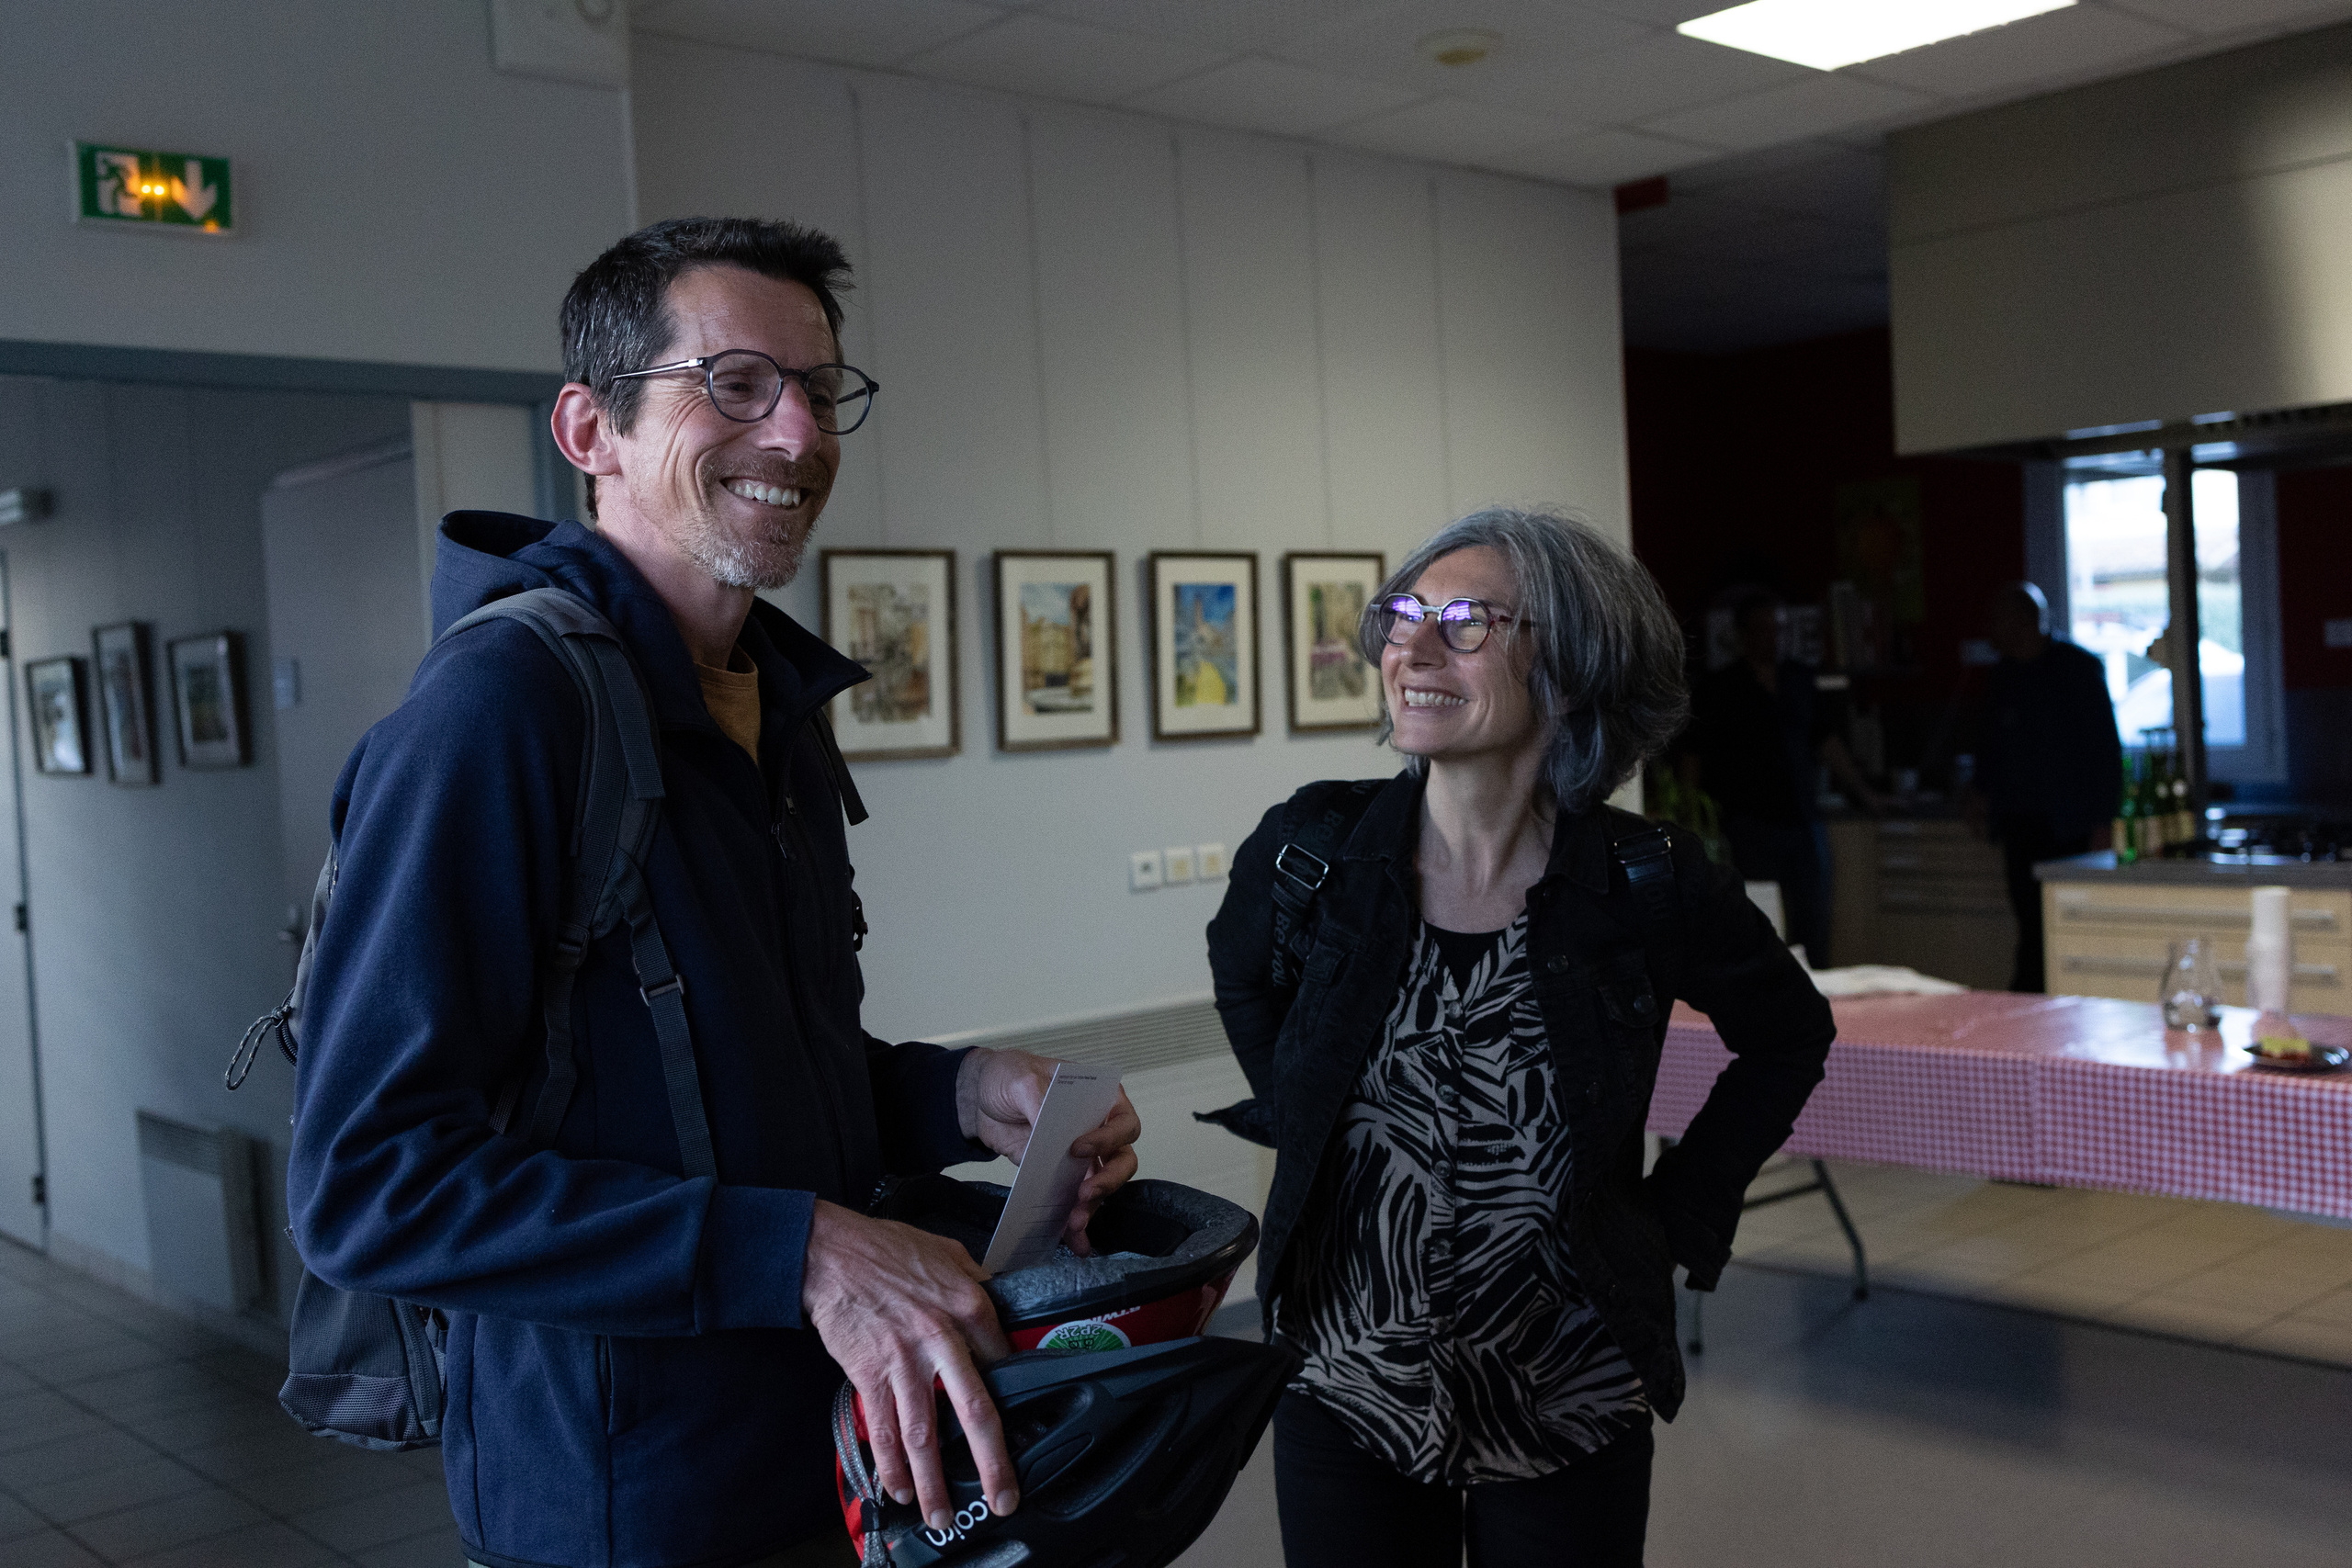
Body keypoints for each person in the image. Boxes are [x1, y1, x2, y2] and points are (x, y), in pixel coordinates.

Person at [287, 217, 1139, 1568]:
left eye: (819, 389)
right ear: (592, 430)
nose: (797, 435)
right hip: (622, 1505)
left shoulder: (766, 704)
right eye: (734, 384)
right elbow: (369, 1185)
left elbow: (723, 1072)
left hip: (830, 1458)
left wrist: (957, 1093)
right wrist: (805, 1252)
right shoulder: (496, 715)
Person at [1206, 510, 1834, 1568]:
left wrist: (1677, 1214)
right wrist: (1304, 1119)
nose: (1412, 648)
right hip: (1344, 1383)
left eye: (1465, 622)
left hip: (1567, 1390)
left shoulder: (1648, 880)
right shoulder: (1311, 850)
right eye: (1402, 614)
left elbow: (1787, 1036)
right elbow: (1242, 977)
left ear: (1573, 668)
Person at [1686, 587, 1883, 966]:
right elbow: (1694, 755)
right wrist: (1693, 819)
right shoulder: (1720, 688)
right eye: (1763, 629)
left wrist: (1864, 792)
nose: (1773, 638)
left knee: (1814, 922)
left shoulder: (1799, 678)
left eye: (1779, 629)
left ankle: (1815, 989)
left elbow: (1826, 741)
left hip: (1803, 820)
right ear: (1743, 635)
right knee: (1757, 924)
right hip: (1749, 823)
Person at [1966, 581, 2122, 992]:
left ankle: (2036, 996)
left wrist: (2103, 820)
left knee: (2061, 921)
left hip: (2067, 823)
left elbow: (2104, 751)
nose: (1990, 628)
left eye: (1998, 619)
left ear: (2023, 621)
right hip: (2019, 821)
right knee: (2029, 919)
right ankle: (2032, 996)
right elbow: (1990, 745)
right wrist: (1980, 794)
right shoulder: (2003, 676)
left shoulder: (2076, 669)